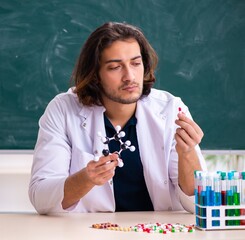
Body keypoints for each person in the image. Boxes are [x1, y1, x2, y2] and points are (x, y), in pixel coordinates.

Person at [29, 22, 207, 214]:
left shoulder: (171, 109)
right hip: (91, 232)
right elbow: (41, 197)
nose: (129, 76)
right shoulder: (63, 110)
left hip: (157, 231)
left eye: (136, 63)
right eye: (115, 67)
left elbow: (196, 202)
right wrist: (86, 179)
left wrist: (187, 153)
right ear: (95, 74)